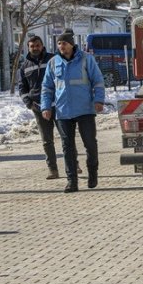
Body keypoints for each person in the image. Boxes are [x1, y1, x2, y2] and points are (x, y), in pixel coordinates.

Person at [41, 31, 106, 193]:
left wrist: (98, 100)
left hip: (85, 109)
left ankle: (92, 172)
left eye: (64, 43)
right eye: (59, 43)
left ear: (71, 44)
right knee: (67, 147)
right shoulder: (53, 63)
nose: (61, 46)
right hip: (63, 111)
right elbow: (47, 87)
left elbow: (98, 81)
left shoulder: (86, 59)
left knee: (90, 143)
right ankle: (72, 181)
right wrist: (46, 107)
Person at [18, 35, 61, 179]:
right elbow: (22, 87)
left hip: (58, 105)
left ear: (42, 46)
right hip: (39, 107)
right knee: (47, 141)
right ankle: (53, 170)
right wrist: (29, 103)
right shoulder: (24, 66)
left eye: (37, 45)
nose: (35, 48)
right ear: (28, 48)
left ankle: (74, 164)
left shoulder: (53, 59)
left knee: (66, 137)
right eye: (32, 46)